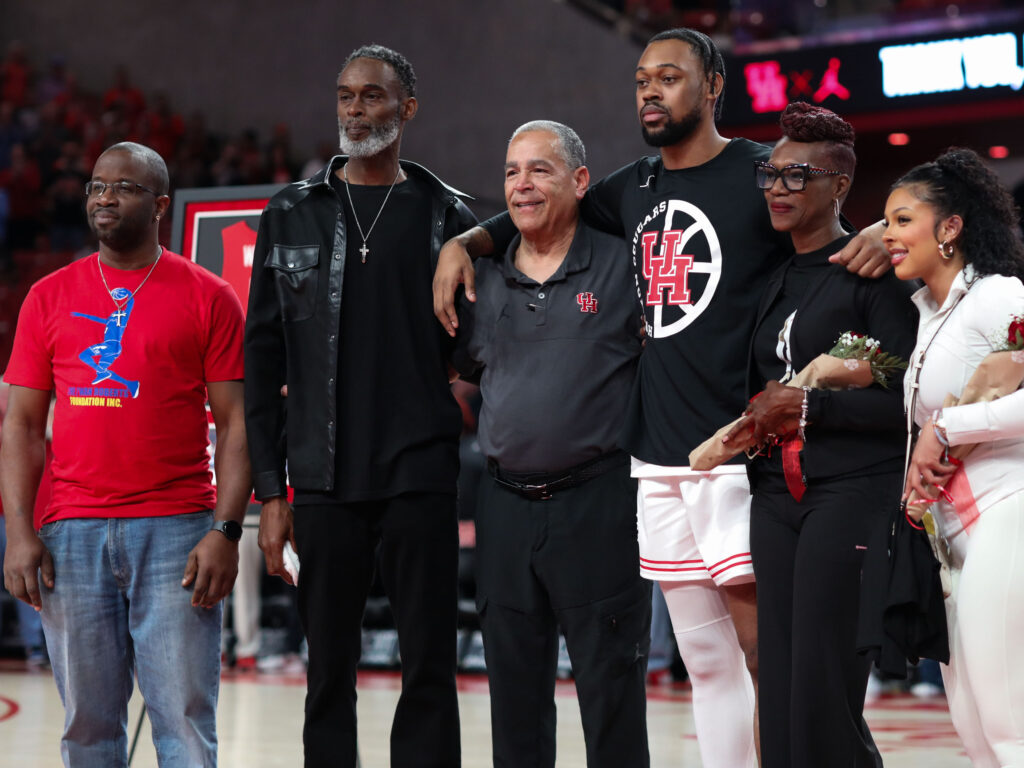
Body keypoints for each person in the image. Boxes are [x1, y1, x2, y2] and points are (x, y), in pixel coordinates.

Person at [433, 28, 889, 768]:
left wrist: (872, 233)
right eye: (643, 79)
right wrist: (467, 244)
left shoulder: (757, 171)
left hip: (741, 452)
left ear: (712, 87)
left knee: (769, 656)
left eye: (670, 77)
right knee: (705, 666)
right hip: (656, 460)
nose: (650, 90)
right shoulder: (628, 187)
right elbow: (542, 205)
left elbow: (822, 229)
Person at [244, 45, 476, 768]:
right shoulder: (290, 213)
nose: (353, 109)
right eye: (345, 95)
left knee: (430, 672)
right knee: (326, 676)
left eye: (372, 96)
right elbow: (262, 359)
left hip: (420, 470)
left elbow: (479, 350)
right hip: (321, 476)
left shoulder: (452, 216)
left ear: (407, 108)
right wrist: (271, 491)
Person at [0, 141, 250, 767]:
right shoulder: (48, 296)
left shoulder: (209, 296)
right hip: (71, 534)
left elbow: (238, 422)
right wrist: (19, 532)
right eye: (96, 186)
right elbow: (23, 426)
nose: (104, 197)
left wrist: (225, 529)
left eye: (124, 187)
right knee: (87, 727)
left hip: (176, 532)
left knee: (184, 724)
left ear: (161, 204)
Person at [453, 120, 650, 767]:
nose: (522, 184)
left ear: (580, 181)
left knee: (611, 692)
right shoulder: (478, 280)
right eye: (512, 171)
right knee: (513, 701)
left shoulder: (624, 267)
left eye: (540, 169)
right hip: (504, 506)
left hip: (597, 503)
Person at [729, 103, 916, 767]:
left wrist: (809, 412)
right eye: (771, 176)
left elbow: (906, 402)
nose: (778, 189)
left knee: (821, 682)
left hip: (851, 491)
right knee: (777, 681)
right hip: (777, 497)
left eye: (797, 176)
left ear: (839, 186)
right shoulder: (776, 279)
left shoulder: (873, 274)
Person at [888, 147, 1024, 767]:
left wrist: (946, 427)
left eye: (901, 220)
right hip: (949, 540)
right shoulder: (927, 315)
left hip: (1006, 514)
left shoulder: (999, 296)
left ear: (950, 228)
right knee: (973, 732)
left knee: (1007, 726)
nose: (887, 235)